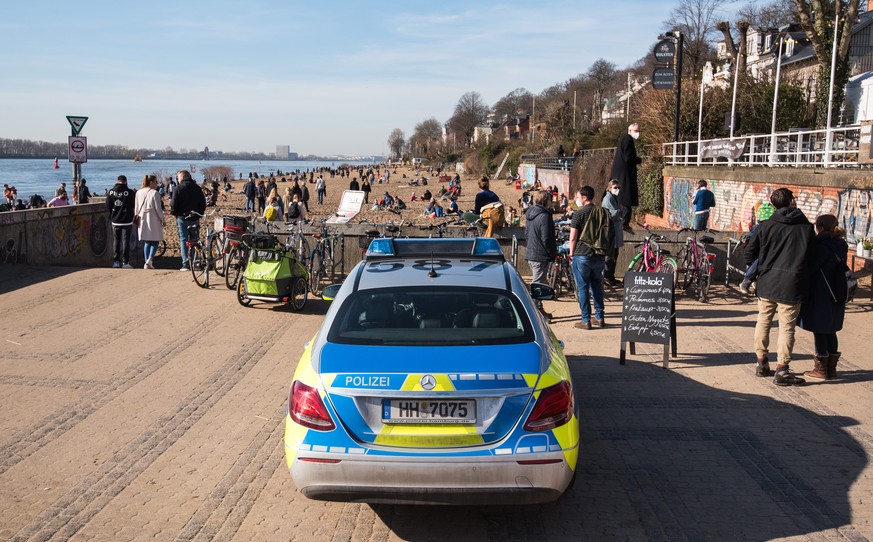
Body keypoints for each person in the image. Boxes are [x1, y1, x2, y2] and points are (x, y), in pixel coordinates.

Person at [744, 187, 816, 386]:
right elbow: (813, 258)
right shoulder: (806, 228)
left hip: (767, 282)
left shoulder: (766, 226)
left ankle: (761, 362)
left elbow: (749, 253)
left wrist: (758, 269)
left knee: (763, 321)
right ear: (792, 201)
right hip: (792, 285)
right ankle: (782, 369)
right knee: (787, 328)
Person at [797, 214, 849, 380]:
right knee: (831, 330)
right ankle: (831, 369)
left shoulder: (821, 246)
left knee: (819, 330)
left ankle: (820, 370)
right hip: (838, 292)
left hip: (821, 293)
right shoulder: (841, 244)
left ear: (818, 227)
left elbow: (811, 269)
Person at [568, 186, 614, 329]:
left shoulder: (578, 214)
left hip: (582, 254)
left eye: (579, 197)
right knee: (597, 287)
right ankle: (600, 317)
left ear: (584, 197)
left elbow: (573, 237)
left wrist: (571, 252)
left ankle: (586, 320)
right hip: (599, 254)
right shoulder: (601, 212)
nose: (577, 200)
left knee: (582, 287)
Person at [525, 190, 557, 321]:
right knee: (538, 285)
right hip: (540, 255)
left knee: (538, 284)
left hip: (532, 253)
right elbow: (546, 238)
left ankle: (539, 309)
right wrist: (552, 253)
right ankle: (536, 314)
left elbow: (526, 234)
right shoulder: (544, 216)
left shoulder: (530, 214)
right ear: (546, 201)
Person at [170, 170, 207, 271]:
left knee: (183, 239)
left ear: (181, 177)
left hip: (182, 217)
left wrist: (174, 213)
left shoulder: (178, 188)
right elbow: (203, 203)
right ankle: (195, 261)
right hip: (195, 216)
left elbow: (173, 204)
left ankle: (185, 263)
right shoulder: (197, 188)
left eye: (178, 178)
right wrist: (200, 213)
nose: (177, 179)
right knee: (195, 239)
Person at [609, 123, 642, 232]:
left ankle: (621, 221)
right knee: (626, 198)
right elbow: (628, 158)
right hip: (625, 174)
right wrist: (638, 160)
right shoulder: (628, 140)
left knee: (619, 197)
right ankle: (624, 223)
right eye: (636, 131)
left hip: (619, 173)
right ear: (630, 130)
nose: (638, 133)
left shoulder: (624, 139)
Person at [739, 201, 776, 294]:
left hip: (762, 252)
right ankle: (747, 281)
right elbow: (751, 238)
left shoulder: (765, 226)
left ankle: (752, 281)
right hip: (758, 253)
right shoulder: (759, 227)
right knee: (757, 263)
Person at [134, 175, 165, 269]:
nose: (157, 183)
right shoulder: (154, 193)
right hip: (153, 219)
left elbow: (136, 207)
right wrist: (163, 220)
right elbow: (158, 209)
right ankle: (150, 260)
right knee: (155, 240)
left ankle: (146, 261)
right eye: (155, 181)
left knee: (147, 241)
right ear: (151, 182)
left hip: (142, 219)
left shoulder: (138, 192)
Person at [105, 175, 136, 268]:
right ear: (126, 182)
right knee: (126, 241)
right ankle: (125, 262)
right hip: (127, 220)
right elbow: (133, 205)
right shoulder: (130, 192)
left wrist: (112, 215)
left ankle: (115, 262)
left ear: (117, 181)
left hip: (115, 220)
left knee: (116, 240)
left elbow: (107, 206)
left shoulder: (111, 192)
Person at [601, 180, 625, 286]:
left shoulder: (615, 198)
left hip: (615, 230)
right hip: (611, 231)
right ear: (609, 188)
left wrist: (620, 211)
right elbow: (609, 213)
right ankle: (607, 277)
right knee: (610, 256)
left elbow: (622, 210)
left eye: (619, 188)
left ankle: (611, 276)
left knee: (614, 255)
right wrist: (620, 211)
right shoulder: (607, 199)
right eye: (615, 187)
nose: (617, 190)